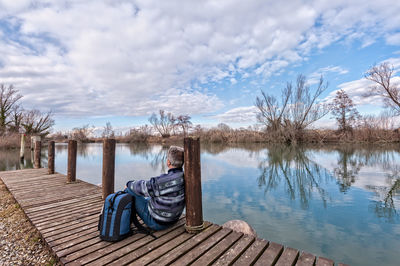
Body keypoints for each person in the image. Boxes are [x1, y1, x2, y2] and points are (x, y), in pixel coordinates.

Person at [125, 146, 185, 231]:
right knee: (150, 195)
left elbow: (143, 187)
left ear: (168, 162)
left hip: (157, 223)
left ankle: (124, 223)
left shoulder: (162, 181)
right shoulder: (184, 176)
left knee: (129, 190)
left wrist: (128, 183)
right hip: (173, 219)